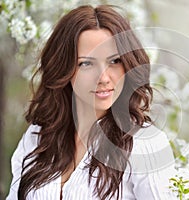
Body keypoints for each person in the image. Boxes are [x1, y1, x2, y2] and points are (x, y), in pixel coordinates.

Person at [6, 4, 176, 200]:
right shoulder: (37, 137)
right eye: (86, 63)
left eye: (115, 61)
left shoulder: (146, 144)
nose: (103, 78)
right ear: (64, 70)